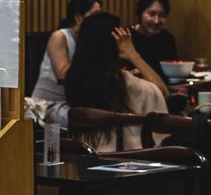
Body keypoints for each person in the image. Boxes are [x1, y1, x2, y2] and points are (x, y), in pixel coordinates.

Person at [62, 12, 168, 151]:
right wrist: (132, 54)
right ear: (116, 41)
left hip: (83, 157)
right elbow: (161, 91)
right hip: (129, 160)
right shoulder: (126, 83)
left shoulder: (73, 78)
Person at [28, 0, 100, 105]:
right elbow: (63, 76)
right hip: (48, 104)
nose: (98, 21)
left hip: (76, 103)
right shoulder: (60, 37)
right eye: (94, 15)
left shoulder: (92, 39)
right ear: (78, 17)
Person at [128, 0, 178, 70]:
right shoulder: (126, 37)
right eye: (152, 14)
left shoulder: (167, 39)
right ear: (140, 12)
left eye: (162, 15)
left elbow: (172, 73)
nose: (156, 21)